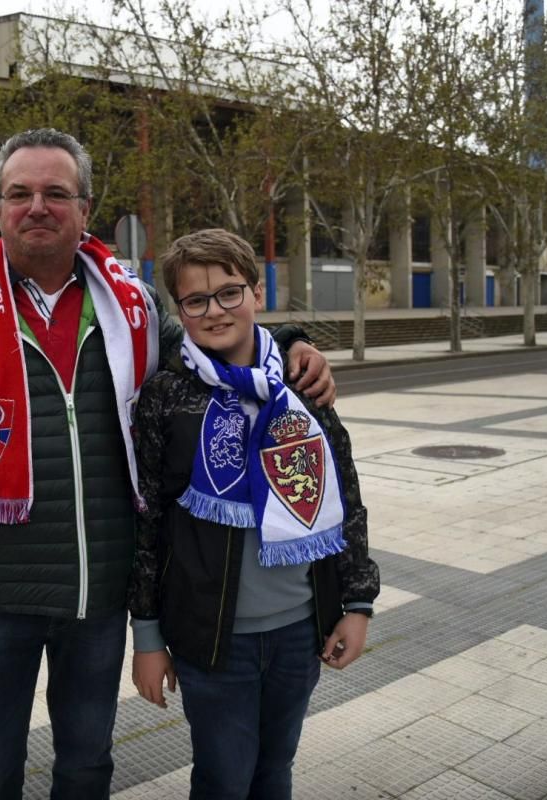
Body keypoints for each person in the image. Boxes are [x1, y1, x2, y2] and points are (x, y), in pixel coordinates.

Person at [0, 128, 335, 799]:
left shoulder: (135, 307)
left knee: (88, 765)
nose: (38, 206)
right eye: (19, 193)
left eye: (56, 193)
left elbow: (220, 349)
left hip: (99, 597)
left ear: (84, 208)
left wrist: (291, 343)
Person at [128, 229, 378, 800]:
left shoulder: (301, 384)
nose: (215, 310)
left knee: (274, 774)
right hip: (213, 641)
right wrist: (146, 636)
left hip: (300, 630)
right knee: (222, 779)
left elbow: (345, 494)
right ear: (180, 311)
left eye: (229, 292)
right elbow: (148, 522)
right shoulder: (167, 395)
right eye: (196, 300)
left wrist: (357, 603)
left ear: (256, 293)